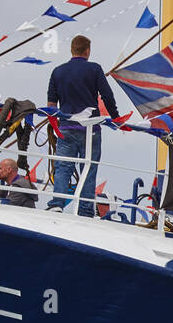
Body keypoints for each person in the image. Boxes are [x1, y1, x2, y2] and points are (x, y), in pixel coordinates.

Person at [46, 35, 121, 217]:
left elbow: (50, 105)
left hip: (66, 128)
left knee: (63, 167)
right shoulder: (94, 69)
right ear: (87, 51)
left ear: (72, 50)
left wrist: (54, 125)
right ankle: (85, 209)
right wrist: (116, 118)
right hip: (91, 129)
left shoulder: (58, 72)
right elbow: (107, 96)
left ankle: (57, 203)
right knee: (88, 169)